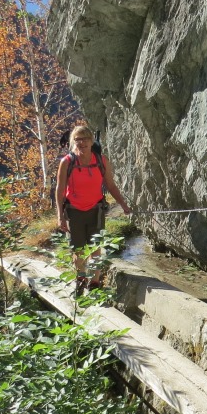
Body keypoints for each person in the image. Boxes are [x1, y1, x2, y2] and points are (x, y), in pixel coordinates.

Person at [55, 125, 131, 292]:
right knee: (78, 250)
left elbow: (111, 185)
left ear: (91, 141)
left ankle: (94, 283)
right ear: (73, 142)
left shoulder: (101, 161)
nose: (82, 142)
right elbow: (60, 191)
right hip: (74, 212)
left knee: (95, 248)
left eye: (85, 139)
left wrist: (123, 204)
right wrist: (60, 216)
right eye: (78, 139)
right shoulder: (67, 162)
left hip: (96, 210)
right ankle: (81, 278)